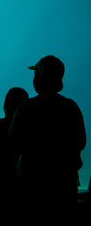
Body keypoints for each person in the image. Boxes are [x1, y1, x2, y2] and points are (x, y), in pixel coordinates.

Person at [8, 55, 86, 206]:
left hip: (32, 183)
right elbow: (81, 142)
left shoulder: (26, 108)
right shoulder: (71, 108)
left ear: (40, 78)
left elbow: (14, 142)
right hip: (64, 184)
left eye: (36, 74)